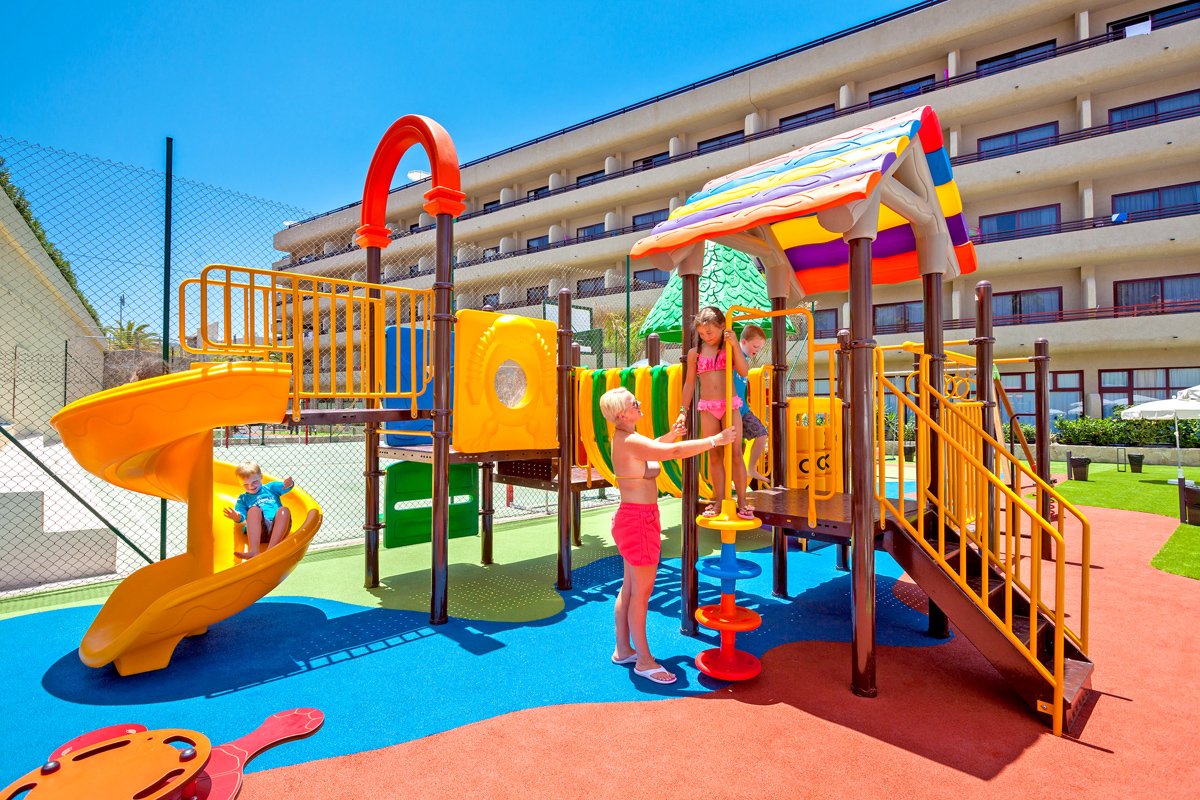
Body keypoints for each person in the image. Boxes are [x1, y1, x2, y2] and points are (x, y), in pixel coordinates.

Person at [602, 387, 736, 685]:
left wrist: (671, 435)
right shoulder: (630, 441)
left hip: (634, 518)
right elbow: (672, 453)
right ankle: (644, 661)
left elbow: (655, 447)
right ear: (621, 414)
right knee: (641, 594)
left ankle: (624, 650)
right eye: (633, 403)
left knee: (629, 588)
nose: (638, 404)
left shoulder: (628, 438)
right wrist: (715, 440)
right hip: (638, 522)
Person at [675, 306, 754, 520]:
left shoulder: (729, 347)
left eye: (709, 332)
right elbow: (689, 384)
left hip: (730, 405)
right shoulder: (696, 353)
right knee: (714, 454)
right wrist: (683, 411)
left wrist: (735, 344)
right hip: (708, 408)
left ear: (722, 327)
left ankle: (742, 501)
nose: (706, 336)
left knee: (735, 453)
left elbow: (744, 371)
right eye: (701, 333)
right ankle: (719, 500)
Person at [223, 461, 294, 559]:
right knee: (253, 510)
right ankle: (254, 551)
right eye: (246, 485)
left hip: (277, 529)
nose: (251, 486)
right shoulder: (243, 498)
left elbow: (284, 487)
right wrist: (237, 516)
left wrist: (289, 484)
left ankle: (271, 550)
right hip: (259, 532)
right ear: (240, 484)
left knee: (284, 510)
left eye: (254, 482)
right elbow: (241, 515)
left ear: (261, 477)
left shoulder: (270, 488)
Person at [735, 324, 770, 484]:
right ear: (743, 342)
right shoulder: (734, 356)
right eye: (755, 346)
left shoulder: (745, 359)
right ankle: (732, 475)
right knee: (732, 445)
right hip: (732, 409)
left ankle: (751, 468)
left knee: (762, 434)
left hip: (743, 410)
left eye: (759, 347)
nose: (757, 350)